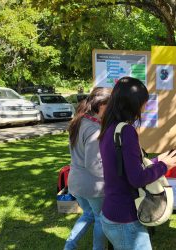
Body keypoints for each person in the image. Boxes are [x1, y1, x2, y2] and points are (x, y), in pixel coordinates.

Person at [98, 76, 176, 250]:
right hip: (125, 218)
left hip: (112, 211)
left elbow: (126, 167)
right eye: (143, 102)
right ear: (133, 104)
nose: (145, 107)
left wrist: (158, 160)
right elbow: (136, 179)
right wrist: (163, 166)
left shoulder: (110, 127)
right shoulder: (126, 131)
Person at [64, 87, 112, 250]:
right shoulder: (93, 129)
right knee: (100, 218)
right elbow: (94, 165)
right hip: (91, 185)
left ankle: (69, 245)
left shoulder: (79, 121)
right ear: (102, 105)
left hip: (76, 182)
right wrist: (112, 178)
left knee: (89, 214)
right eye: (111, 106)